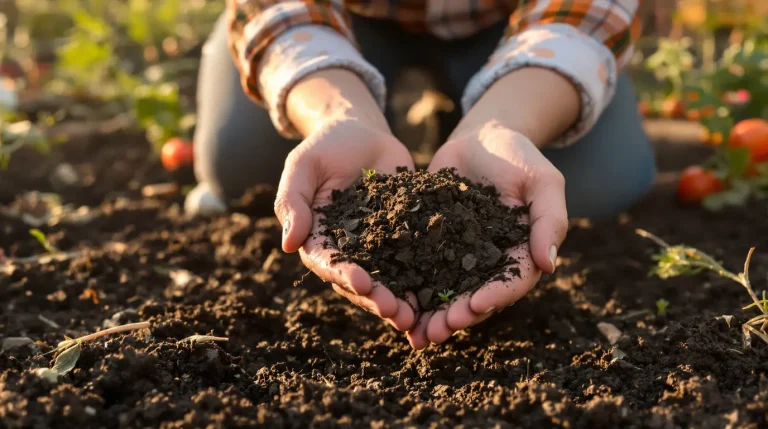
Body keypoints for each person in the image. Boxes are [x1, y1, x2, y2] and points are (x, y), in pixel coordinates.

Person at [185, 0, 655, 350]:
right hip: (339, 19)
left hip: (518, 22)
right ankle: (384, 111)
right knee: (243, 164)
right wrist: (338, 113)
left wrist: (503, 123)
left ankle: (472, 112)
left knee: (602, 180)